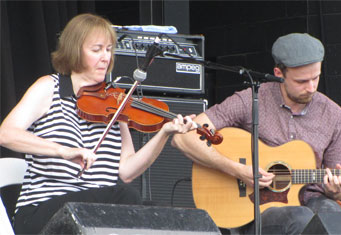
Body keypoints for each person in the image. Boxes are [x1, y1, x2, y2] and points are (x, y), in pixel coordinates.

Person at [0, 13, 197, 234]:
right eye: (96, 50)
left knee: (161, 214)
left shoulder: (115, 101)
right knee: (126, 197)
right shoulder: (49, 87)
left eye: (108, 49)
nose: (105, 57)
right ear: (75, 51)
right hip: (42, 213)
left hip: (93, 217)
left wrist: (164, 133)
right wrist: (63, 151)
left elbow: (127, 171)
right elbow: (6, 133)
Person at [172, 33, 341, 234]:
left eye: (315, 78)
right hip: (257, 210)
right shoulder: (251, 100)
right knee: (300, 218)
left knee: (334, 218)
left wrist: (338, 189)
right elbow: (183, 137)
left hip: (312, 201)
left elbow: (337, 182)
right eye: (301, 81)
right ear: (278, 73)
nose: (311, 88)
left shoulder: (333, 115)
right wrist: (237, 170)